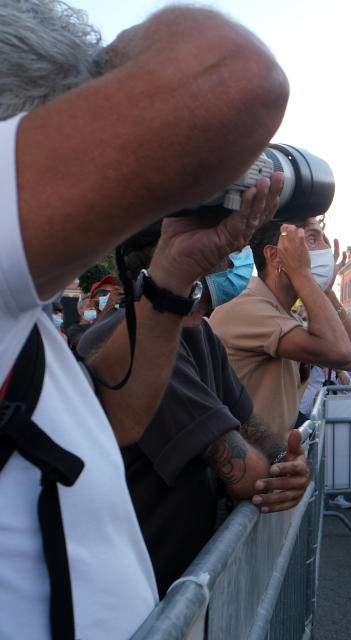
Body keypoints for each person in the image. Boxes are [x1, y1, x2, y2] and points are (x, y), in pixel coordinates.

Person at [0, 2, 288, 637]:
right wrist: (94, 75)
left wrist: (176, 270)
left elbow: (122, 420)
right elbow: (237, 74)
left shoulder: (27, 326)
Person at [79, 225, 309, 596]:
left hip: (183, 587)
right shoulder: (131, 342)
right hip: (145, 596)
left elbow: (254, 429)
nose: (235, 242)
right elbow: (246, 476)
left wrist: (286, 461)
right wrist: (281, 472)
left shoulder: (199, 334)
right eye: (217, 223)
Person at [210, 218, 351, 440]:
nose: (326, 250)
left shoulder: (283, 314)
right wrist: (305, 276)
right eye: (312, 239)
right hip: (242, 464)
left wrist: (326, 291)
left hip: (268, 461)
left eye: (324, 240)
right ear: (275, 256)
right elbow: (340, 351)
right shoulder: (247, 307)